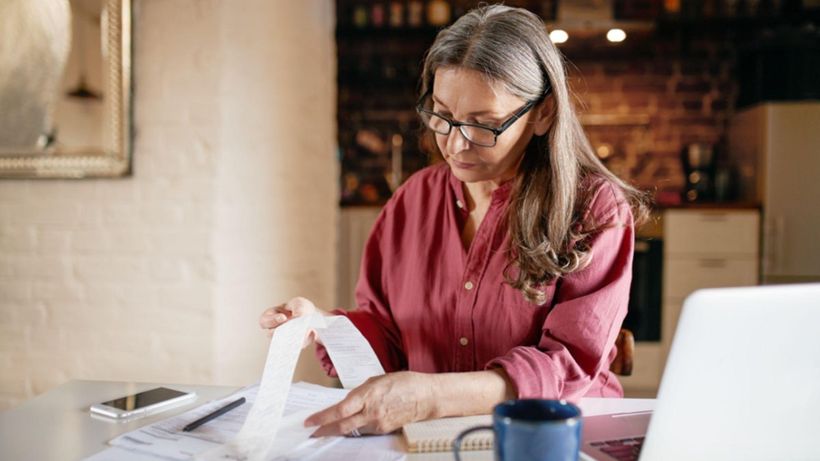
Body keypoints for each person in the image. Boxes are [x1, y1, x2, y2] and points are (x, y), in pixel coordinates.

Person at [259, 4, 647, 438]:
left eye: (485, 125)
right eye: (442, 114)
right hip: (430, 439)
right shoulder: (413, 201)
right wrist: (323, 327)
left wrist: (431, 397)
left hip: (550, 437)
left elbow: (567, 365)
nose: (455, 143)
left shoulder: (593, 207)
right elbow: (388, 332)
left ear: (543, 113)